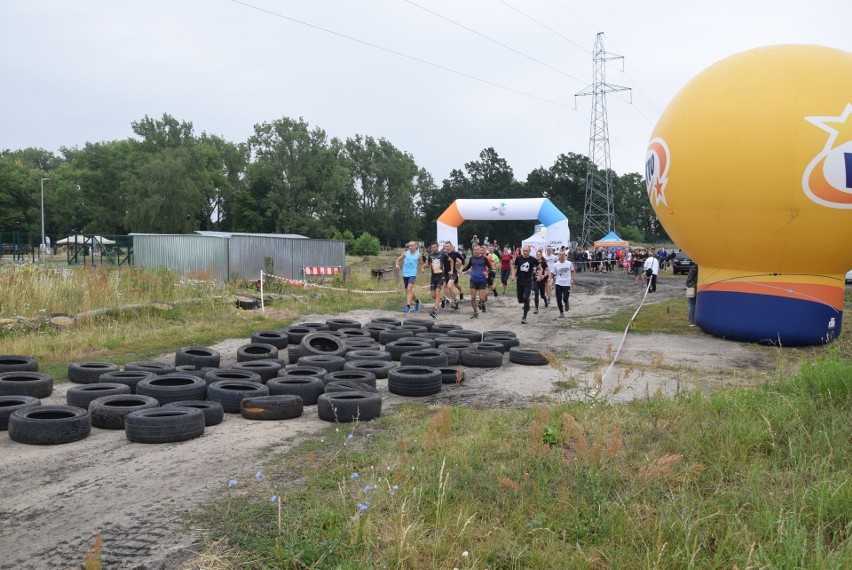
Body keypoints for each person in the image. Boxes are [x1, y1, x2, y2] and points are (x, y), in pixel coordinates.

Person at [461, 245, 492, 319]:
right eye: (474, 249)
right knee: (473, 297)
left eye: (477, 249)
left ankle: (483, 303)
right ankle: (475, 312)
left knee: (481, 299)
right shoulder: (472, 259)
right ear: (473, 250)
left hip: (482, 280)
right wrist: (462, 270)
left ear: (480, 250)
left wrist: (487, 272)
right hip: (473, 279)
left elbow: (490, 267)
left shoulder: (484, 258)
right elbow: (468, 267)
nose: (476, 251)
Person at [511, 245, 539, 324]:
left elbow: (540, 268)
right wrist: (513, 275)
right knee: (520, 300)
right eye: (524, 251)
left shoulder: (533, 259)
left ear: (529, 251)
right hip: (519, 281)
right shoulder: (519, 258)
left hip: (528, 281)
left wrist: (540, 275)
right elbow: (514, 266)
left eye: (526, 251)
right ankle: (527, 303)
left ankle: (524, 317)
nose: (525, 252)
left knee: (526, 298)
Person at [394, 241, 422, 313]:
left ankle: (408, 307)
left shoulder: (419, 255)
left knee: (409, 289)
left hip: (412, 274)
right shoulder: (405, 253)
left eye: (412, 246)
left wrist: (422, 268)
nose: (410, 247)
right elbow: (397, 260)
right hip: (405, 274)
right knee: (408, 291)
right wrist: (397, 265)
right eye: (409, 246)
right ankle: (417, 301)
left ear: (416, 246)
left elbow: (422, 264)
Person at [423, 241, 446, 318]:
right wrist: (423, 267)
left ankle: (435, 311)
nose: (433, 249)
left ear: (438, 247)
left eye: (434, 247)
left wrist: (451, 269)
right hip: (433, 276)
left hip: (440, 275)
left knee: (437, 292)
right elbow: (428, 264)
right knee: (433, 296)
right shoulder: (430, 255)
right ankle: (443, 299)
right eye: (432, 247)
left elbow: (451, 261)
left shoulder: (442, 254)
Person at [550, 249, 576, 318]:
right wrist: (551, 279)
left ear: (565, 256)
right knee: (558, 298)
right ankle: (561, 312)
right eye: (560, 255)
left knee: (565, 298)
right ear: (558, 256)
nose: (561, 256)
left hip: (567, 283)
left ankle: (566, 302)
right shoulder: (556, 265)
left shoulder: (569, 263)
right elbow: (552, 273)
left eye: (563, 255)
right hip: (558, 283)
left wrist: (572, 279)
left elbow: (573, 271)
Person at [441, 241, 464, 310]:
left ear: (451, 247)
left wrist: (461, 269)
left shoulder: (455, 254)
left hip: (453, 273)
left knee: (450, 286)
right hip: (445, 274)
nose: (446, 247)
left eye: (448, 246)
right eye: (445, 246)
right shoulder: (443, 254)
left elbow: (462, 260)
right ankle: (452, 299)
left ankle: (455, 299)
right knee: (445, 286)